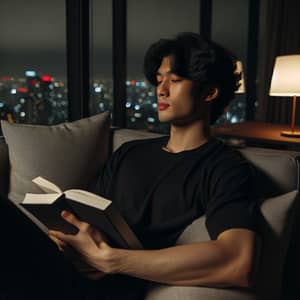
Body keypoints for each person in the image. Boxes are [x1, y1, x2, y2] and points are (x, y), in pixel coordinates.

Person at [0, 32, 258, 300]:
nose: (161, 89)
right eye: (159, 80)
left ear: (210, 92)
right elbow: (88, 213)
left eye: (176, 80)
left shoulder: (224, 167)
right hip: (66, 267)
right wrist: (67, 240)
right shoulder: (131, 151)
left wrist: (112, 260)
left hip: (109, 286)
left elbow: (239, 260)